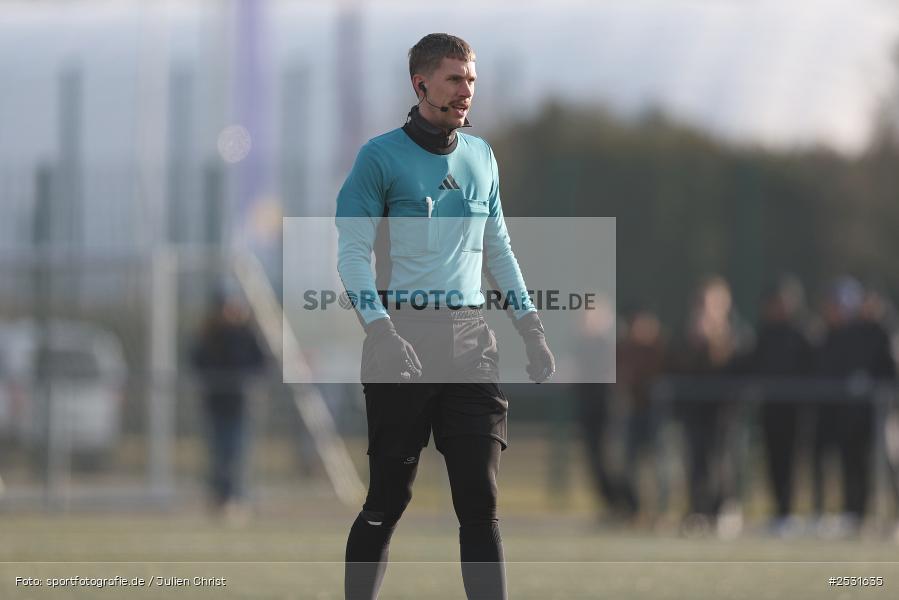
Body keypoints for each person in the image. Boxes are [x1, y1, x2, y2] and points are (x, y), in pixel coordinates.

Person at [335, 34, 555, 600]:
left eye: (472, 80)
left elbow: (498, 248)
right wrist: (379, 330)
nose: (466, 91)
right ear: (421, 84)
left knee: (480, 503)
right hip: (401, 340)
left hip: (470, 343)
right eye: (455, 79)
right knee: (387, 500)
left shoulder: (482, 157)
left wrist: (529, 326)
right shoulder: (378, 158)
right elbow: (351, 254)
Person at [812, 277, 896, 536]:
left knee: (888, 465)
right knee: (853, 465)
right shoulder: (835, 335)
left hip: (883, 414)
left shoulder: (881, 330)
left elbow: (889, 367)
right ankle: (856, 515)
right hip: (850, 417)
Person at [743, 276, 813, 536]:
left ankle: (791, 513)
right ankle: (778, 513)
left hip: (796, 411)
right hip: (770, 410)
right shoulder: (763, 334)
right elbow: (751, 366)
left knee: (794, 462)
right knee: (773, 461)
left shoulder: (802, 333)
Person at [190, 289, 266, 523]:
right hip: (216, 404)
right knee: (219, 454)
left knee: (237, 453)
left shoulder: (246, 334)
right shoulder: (209, 335)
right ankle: (219, 498)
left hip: (240, 405)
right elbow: (196, 360)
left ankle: (236, 499)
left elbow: (260, 363)